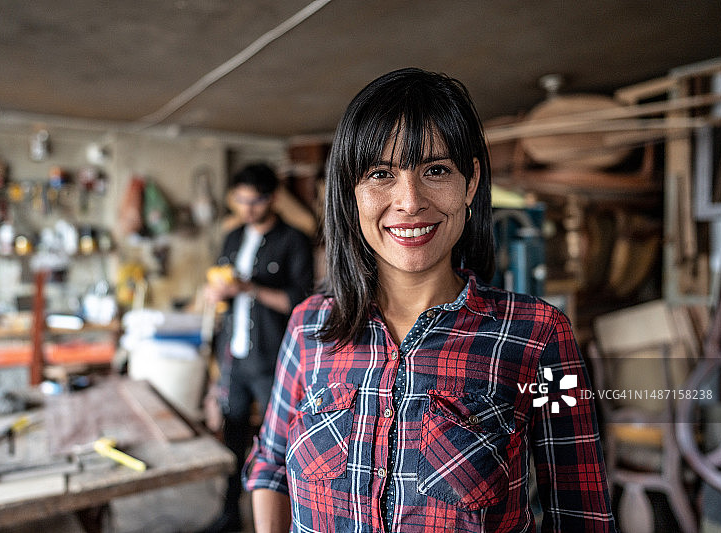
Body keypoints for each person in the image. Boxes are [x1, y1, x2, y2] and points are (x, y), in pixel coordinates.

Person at [243, 68, 617, 532]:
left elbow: (581, 513)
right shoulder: (309, 327)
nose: (410, 200)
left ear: (471, 182)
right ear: (350, 193)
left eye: (436, 170)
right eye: (381, 174)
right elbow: (271, 464)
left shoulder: (538, 336)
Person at [202, 163, 314, 533]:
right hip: (234, 357)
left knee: (277, 446)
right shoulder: (233, 238)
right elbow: (222, 290)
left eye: (256, 200)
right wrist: (215, 294)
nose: (248, 208)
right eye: (241, 200)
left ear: (273, 198)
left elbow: (300, 301)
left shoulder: (294, 240)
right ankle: (230, 515)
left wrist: (250, 289)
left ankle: (283, 521)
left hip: (274, 362)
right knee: (232, 440)